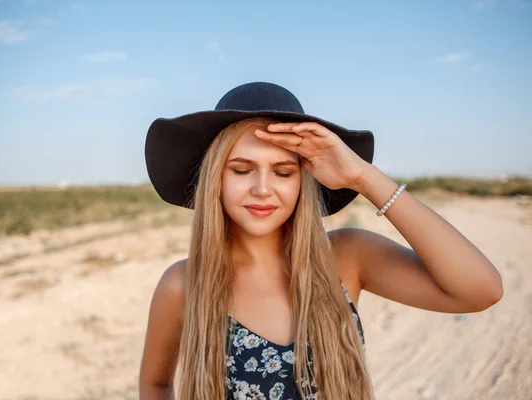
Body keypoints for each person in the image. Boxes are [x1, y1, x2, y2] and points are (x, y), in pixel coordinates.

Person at [138, 82, 503, 400]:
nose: (262, 189)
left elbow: (480, 289)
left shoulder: (347, 257)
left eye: (283, 172)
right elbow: (155, 385)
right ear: (214, 179)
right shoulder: (183, 284)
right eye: (241, 170)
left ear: (303, 181)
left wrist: (363, 177)